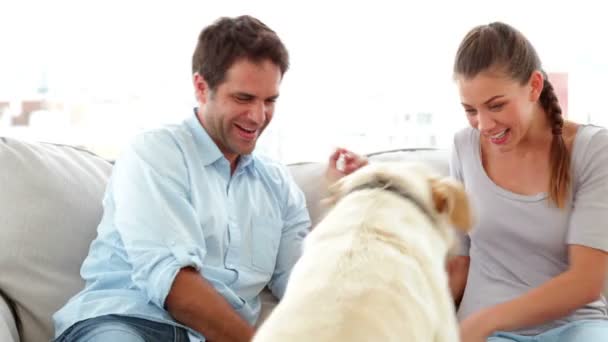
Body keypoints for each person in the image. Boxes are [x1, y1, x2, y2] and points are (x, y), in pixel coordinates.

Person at [327, 22, 608, 342]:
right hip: (486, 333)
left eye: (496, 105)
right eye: (470, 110)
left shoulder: (593, 150)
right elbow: (460, 261)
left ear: (534, 86)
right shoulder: (465, 147)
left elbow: (586, 282)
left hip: (574, 327)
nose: (484, 125)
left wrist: (488, 320)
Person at [53, 15, 311, 342]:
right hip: (128, 322)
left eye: (269, 100)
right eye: (243, 98)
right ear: (202, 88)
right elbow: (173, 282)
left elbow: (306, 282)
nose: (258, 117)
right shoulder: (156, 153)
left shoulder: (278, 185)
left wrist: (363, 193)